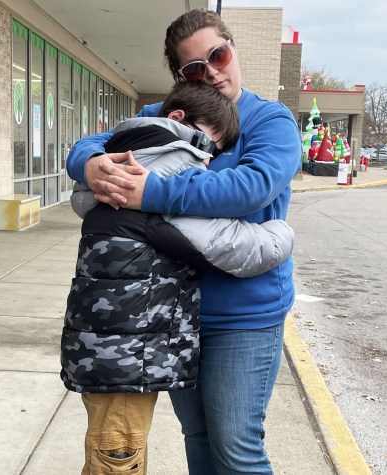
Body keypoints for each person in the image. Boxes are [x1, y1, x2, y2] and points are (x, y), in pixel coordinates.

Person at [66, 9, 302, 474]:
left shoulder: (270, 120)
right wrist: (91, 164)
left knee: (237, 447)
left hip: (244, 316)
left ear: (233, 49)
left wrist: (149, 191)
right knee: (197, 437)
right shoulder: (164, 116)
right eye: (194, 67)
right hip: (176, 311)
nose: (211, 72)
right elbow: (88, 144)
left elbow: (249, 188)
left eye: (218, 55)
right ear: (180, 76)